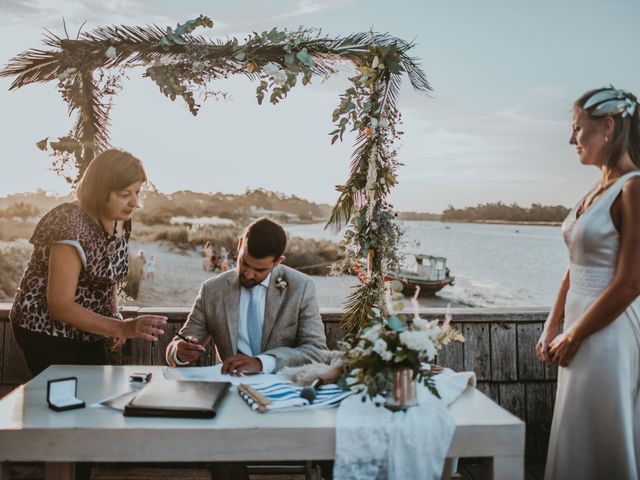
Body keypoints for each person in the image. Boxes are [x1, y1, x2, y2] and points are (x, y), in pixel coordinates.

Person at [536, 87, 640, 479]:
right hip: (578, 331)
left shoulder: (634, 188)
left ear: (608, 127)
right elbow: (573, 268)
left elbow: (631, 283)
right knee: (575, 430)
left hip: (609, 332)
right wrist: (552, 326)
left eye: (577, 129)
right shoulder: (596, 190)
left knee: (602, 435)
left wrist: (575, 334)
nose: (571, 139)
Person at [10, 149, 167, 377]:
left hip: (90, 326)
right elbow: (60, 305)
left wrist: (115, 317)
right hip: (45, 329)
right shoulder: (70, 223)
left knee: (93, 390)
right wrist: (122, 328)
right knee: (67, 397)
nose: (135, 203)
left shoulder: (121, 220)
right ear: (100, 191)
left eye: (137, 193)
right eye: (125, 194)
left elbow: (108, 275)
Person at [166, 217, 328, 374]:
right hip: (230, 387)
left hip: (284, 388)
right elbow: (177, 345)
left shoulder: (301, 286)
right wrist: (180, 352)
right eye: (244, 262)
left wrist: (263, 363)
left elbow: (317, 351)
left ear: (278, 261)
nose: (249, 274)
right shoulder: (211, 290)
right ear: (240, 244)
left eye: (260, 270)